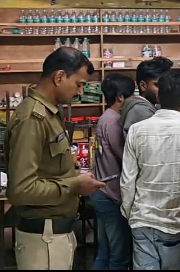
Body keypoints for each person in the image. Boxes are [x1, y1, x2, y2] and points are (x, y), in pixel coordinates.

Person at [6, 47, 107, 270]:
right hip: (43, 239)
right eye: (79, 84)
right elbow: (21, 190)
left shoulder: (51, 112)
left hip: (55, 234)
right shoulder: (33, 118)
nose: (80, 92)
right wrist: (75, 185)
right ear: (59, 77)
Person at [120, 70, 180, 270]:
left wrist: (130, 213)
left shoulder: (137, 130)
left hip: (141, 219)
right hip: (174, 220)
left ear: (158, 95)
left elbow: (127, 179)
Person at [91, 73, 136, 270]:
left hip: (102, 191)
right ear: (120, 97)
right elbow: (124, 155)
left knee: (105, 251)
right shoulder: (115, 121)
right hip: (110, 194)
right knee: (118, 256)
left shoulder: (106, 117)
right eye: (131, 96)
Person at [121, 56, 173, 135]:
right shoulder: (141, 111)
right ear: (143, 86)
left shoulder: (146, 107)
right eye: (157, 85)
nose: (163, 89)